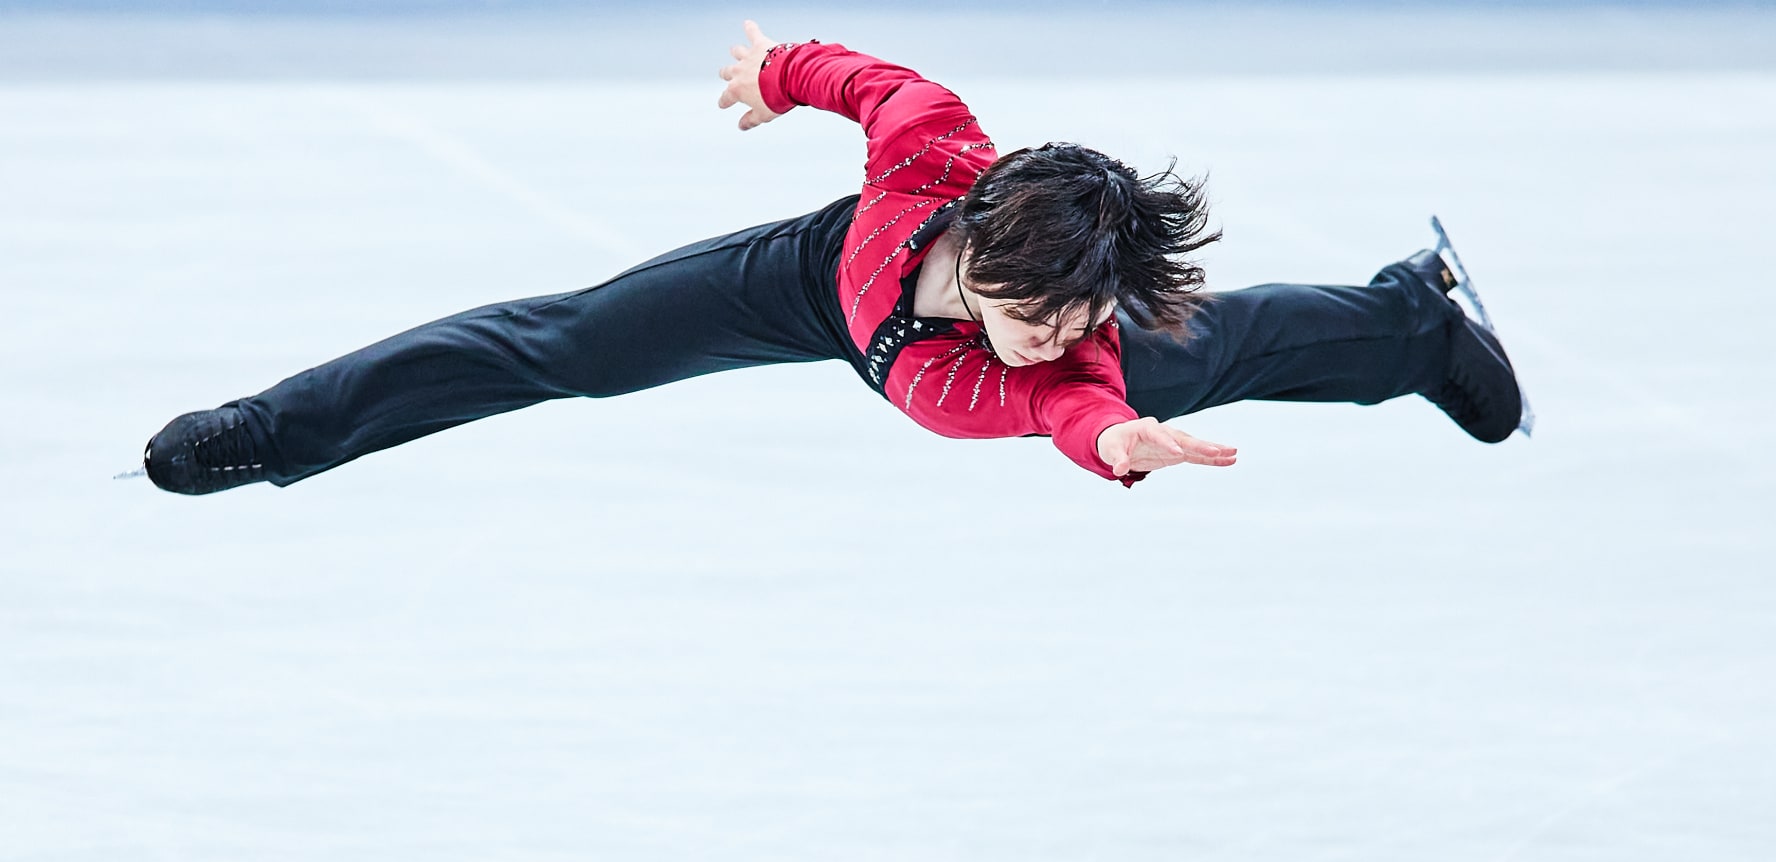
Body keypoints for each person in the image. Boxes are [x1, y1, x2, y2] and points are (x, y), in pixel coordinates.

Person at [141, 20, 1526, 496]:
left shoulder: (1075, 348)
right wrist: (776, 72)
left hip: (980, 359)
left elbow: (1073, 404)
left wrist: (1113, 440)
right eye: (1032, 309)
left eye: (1071, 317)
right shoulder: (933, 149)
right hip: (827, 288)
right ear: (977, 234)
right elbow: (854, 74)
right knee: (561, 344)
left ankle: (1408, 327)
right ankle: (272, 432)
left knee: (1204, 354)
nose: (1048, 336)